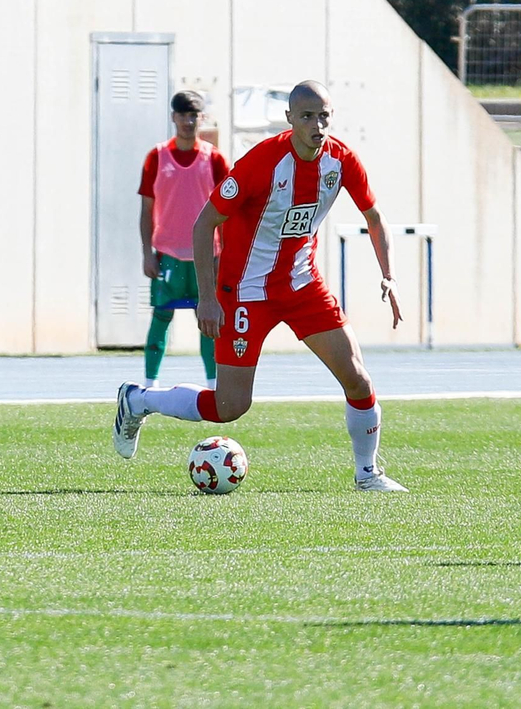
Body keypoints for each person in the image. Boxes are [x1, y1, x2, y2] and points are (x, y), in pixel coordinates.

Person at [112, 81, 409, 492]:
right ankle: (139, 400)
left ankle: (367, 474)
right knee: (230, 406)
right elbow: (204, 225)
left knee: (357, 378)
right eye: (307, 116)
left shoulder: (341, 161)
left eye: (324, 116)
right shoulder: (262, 163)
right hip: (246, 290)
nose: (317, 125)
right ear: (289, 119)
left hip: (303, 286)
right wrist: (208, 298)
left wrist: (388, 275)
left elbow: (375, 218)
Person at [139, 90, 231, 389]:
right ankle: (149, 385)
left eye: (194, 115)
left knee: (209, 321)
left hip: (206, 256)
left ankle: (213, 385)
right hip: (167, 253)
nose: (188, 121)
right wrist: (147, 252)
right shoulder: (157, 156)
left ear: (200, 118)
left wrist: (225, 255)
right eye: (183, 115)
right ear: (173, 117)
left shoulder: (214, 159)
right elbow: (146, 209)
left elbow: (228, 211)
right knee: (161, 317)